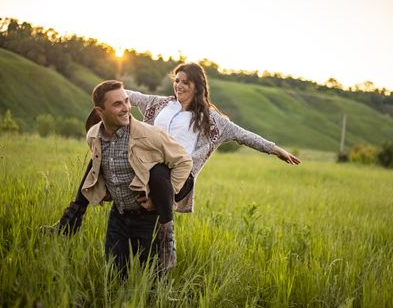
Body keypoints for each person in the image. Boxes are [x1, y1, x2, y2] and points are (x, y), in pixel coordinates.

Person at [45, 62, 300, 267]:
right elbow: (124, 97)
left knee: (159, 171)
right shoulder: (160, 104)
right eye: (176, 81)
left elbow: (245, 135)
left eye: (185, 82)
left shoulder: (211, 120)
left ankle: (168, 238)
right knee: (97, 161)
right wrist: (99, 113)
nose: (179, 86)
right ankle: (71, 220)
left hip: (178, 176)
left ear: (198, 86)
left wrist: (276, 150)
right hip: (147, 170)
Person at [76, 80, 192, 276]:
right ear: (99, 112)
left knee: (154, 282)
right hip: (118, 217)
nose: (126, 109)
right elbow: (99, 164)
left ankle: (167, 238)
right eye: (117, 104)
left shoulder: (150, 135)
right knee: (113, 278)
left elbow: (184, 161)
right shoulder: (93, 135)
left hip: (148, 219)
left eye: (127, 102)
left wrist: (162, 197)